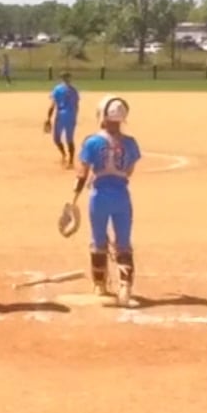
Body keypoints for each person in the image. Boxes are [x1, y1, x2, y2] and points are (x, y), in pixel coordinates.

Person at [71, 96, 142, 304]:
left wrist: (74, 198)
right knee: (123, 243)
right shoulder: (130, 143)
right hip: (121, 196)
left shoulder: (92, 142)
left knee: (98, 240)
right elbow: (128, 171)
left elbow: (82, 174)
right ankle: (125, 287)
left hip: (99, 197)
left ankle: (100, 284)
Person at [43, 72, 81, 167]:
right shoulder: (74, 90)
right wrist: (74, 117)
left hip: (61, 115)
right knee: (70, 139)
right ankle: (71, 161)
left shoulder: (57, 89)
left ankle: (64, 155)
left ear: (62, 79)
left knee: (56, 139)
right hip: (71, 115)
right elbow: (77, 106)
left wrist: (48, 118)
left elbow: (52, 105)